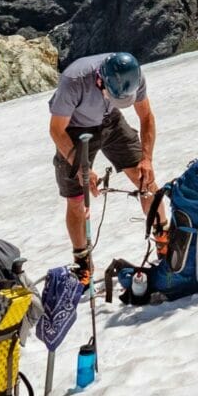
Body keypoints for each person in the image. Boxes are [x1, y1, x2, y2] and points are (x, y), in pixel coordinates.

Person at [51, 51, 158, 279]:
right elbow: (57, 129)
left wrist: (146, 159)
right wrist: (81, 166)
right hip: (75, 128)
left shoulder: (134, 76)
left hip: (111, 119)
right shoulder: (74, 80)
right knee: (76, 198)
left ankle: (163, 236)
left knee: (145, 178)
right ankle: (82, 262)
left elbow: (146, 117)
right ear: (100, 80)